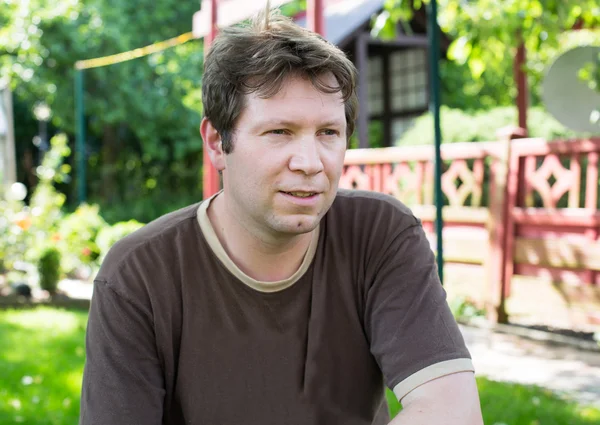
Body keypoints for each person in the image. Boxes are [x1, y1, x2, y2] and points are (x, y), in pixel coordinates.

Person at [79, 10, 483, 425]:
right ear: (218, 142)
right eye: (280, 132)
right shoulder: (139, 276)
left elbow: (452, 410)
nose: (310, 163)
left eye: (328, 132)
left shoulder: (378, 235)